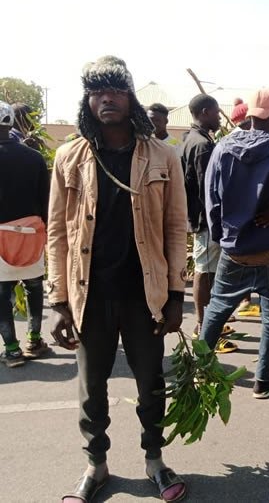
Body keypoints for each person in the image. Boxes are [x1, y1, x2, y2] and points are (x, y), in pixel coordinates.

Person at [47, 56, 188, 502]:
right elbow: (56, 232)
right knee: (93, 389)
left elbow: (175, 227)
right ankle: (97, 465)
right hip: (89, 295)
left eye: (116, 90)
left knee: (151, 383)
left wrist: (175, 295)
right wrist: (59, 297)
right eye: (97, 91)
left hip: (144, 294)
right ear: (88, 100)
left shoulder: (162, 156)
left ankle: (154, 461)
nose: (107, 98)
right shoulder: (69, 156)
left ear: (130, 98)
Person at [200, 87, 269, 399]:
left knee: (218, 307)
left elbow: (212, 199)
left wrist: (222, 237)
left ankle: (199, 372)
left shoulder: (223, 147)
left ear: (248, 115)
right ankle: (263, 380)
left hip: (234, 248)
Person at [180, 94, 236, 353]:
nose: (218, 118)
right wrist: (217, 221)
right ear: (204, 112)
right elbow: (208, 189)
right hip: (205, 220)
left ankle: (209, 323)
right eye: (215, 113)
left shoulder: (193, 140)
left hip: (201, 218)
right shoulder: (201, 145)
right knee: (204, 270)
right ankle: (203, 327)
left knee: (209, 270)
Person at [0, 100, 50, 367]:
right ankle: (34, 340)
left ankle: (11, 350)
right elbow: (46, 201)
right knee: (34, 288)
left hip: (0, 239)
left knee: (1, 295)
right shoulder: (34, 157)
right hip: (32, 235)